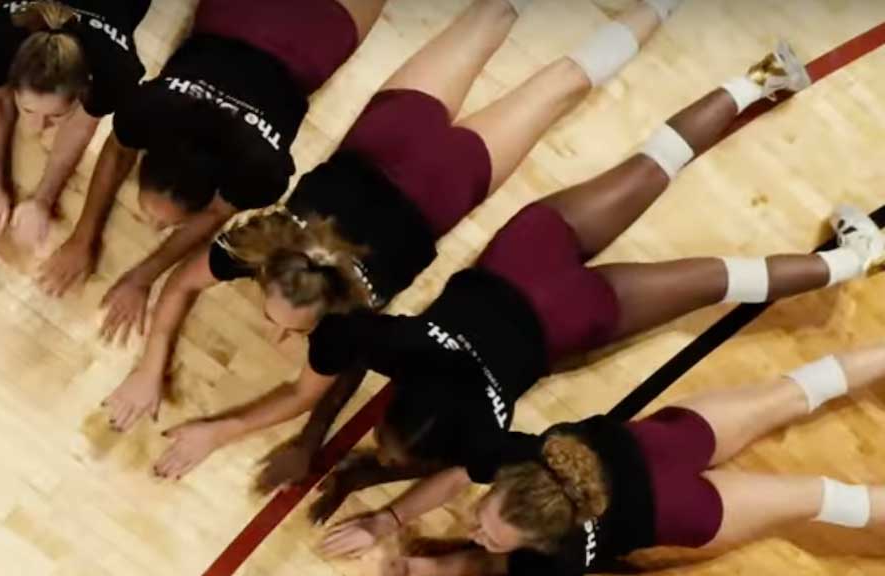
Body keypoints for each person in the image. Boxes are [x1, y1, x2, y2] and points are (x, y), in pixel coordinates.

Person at [299, 67, 883, 547]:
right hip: (529, 250)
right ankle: (761, 77)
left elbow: (516, 473)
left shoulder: (481, 436)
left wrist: (388, 518)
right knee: (652, 166)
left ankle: (854, 261)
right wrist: (313, 432)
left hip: (574, 319)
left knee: (718, 279)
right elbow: (338, 337)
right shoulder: (407, 351)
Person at [101, 0, 675, 473]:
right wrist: (154, 373)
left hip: (423, 160)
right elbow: (189, 292)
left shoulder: (335, 314)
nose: (273, 329)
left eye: (280, 323)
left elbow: (299, 393)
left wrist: (213, 427)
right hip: (422, 162)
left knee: (511, 35)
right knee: (550, 73)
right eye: (280, 321)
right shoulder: (268, 246)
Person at [335, 342, 885, 576]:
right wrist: (390, 524)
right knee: (818, 493)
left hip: (682, 475)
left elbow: (487, 566)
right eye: (484, 525)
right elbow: (461, 480)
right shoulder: (524, 455)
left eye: (486, 529)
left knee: (795, 399)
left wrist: (421, 564)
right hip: (682, 484)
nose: (473, 530)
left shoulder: (553, 561)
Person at [38, 0, 387, 339]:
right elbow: (116, 155)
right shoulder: (150, 108)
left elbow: (215, 211)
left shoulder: (261, 169)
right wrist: (83, 237)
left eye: (164, 223)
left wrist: (141, 276)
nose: (154, 228)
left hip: (318, 36)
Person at [0, 0, 153, 252]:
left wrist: (44, 199)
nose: (36, 126)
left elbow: (84, 122)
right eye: (27, 109)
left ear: (83, 92)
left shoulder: (115, 70)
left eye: (55, 115)